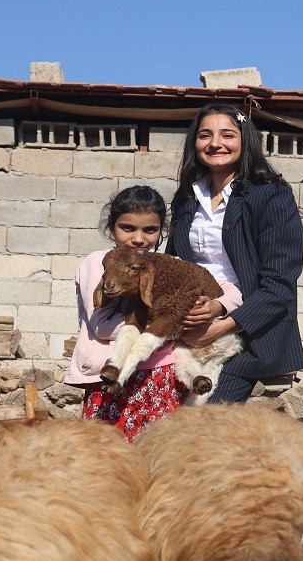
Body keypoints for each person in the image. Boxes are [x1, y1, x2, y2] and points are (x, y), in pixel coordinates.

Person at [65, 184, 241, 440]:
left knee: (158, 448)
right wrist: (169, 328)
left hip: (162, 375)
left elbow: (231, 291)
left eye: (150, 230)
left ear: (161, 232)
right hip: (113, 378)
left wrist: (216, 306)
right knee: (108, 450)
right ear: (111, 227)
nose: (139, 239)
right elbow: (102, 326)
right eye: (128, 228)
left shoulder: (167, 264)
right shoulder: (99, 262)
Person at [167, 103, 303, 403]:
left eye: (227, 135)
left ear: (245, 141)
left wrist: (219, 325)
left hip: (247, 332)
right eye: (205, 135)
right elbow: (173, 264)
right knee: (166, 415)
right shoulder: (186, 197)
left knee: (208, 416)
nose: (215, 143)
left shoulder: (270, 195)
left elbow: (280, 284)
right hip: (189, 326)